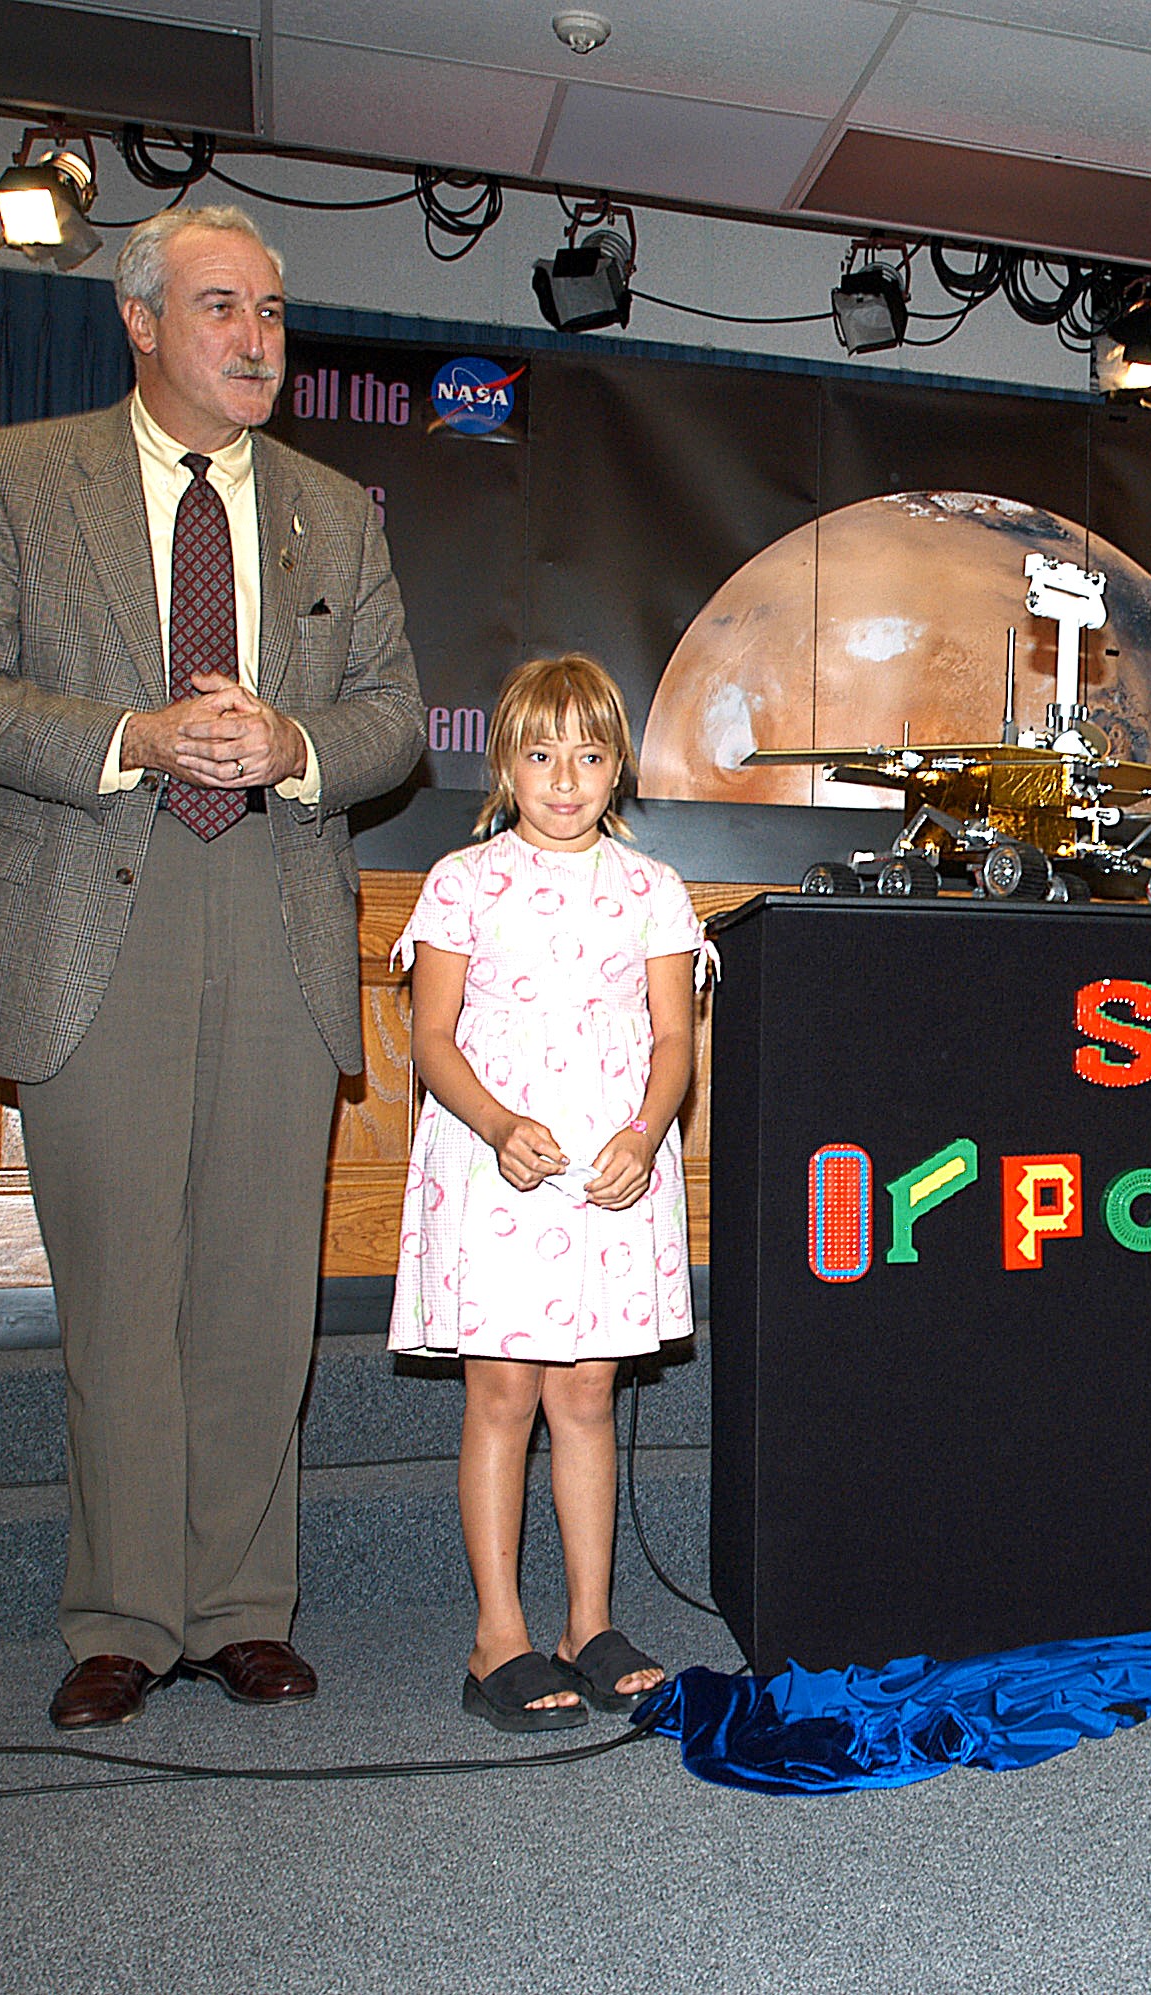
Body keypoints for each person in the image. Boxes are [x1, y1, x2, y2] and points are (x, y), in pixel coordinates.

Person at [0, 205, 424, 1726]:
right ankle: (123, 1615)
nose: (260, 338)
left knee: (259, 1297)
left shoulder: (338, 508)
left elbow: (393, 712)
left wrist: (298, 742)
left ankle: (242, 1608)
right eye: (221, 309)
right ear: (139, 323)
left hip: (275, 912)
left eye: (270, 310)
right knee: (124, 1294)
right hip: (85, 916)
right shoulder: (18, 475)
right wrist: (129, 735)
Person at [389, 654, 703, 1730]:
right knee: (504, 1395)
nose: (565, 778)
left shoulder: (652, 888)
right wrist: (497, 1124)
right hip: (495, 1167)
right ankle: (499, 1638)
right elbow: (431, 1037)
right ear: (505, 764)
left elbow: (673, 1038)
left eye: (590, 754)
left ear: (618, 766)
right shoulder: (462, 882)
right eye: (540, 754)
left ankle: (587, 1621)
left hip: (610, 1175)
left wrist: (646, 1130)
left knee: (584, 1396)